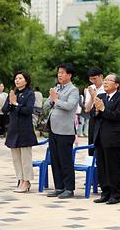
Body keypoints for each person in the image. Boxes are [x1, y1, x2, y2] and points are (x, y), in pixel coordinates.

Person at [44, 63, 79, 199]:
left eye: (62, 73)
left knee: (65, 161)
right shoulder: (56, 88)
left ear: (69, 75)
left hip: (65, 131)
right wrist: (53, 99)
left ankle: (69, 189)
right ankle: (59, 187)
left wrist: (56, 99)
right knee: (55, 159)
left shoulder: (73, 90)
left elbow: (70, 106)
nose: (59, 75)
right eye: (58, 72)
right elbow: (46, 105)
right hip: (53, 129)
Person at [91, 73, 120, 205]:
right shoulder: (100, 96)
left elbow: (118, 116)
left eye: (108, 80)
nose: (105, 82)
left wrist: (103, 109)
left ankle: (115, 193)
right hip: (100, 136)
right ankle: (105, 192)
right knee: (101, 166)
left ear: (116, 85)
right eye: (105, 80)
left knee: (112, 166)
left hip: (113, 137)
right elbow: (92, 114)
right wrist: (96, 110)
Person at [2, 71, 38, 192]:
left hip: (25, 130)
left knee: (25, 158)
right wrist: (10, 102)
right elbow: (4, 109)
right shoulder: (13, 93)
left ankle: (26, 181)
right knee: (16, 158)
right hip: (13, 129)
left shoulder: (30, 94)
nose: (17, 80)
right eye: (16, 78)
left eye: (20, 78)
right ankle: (20, 180)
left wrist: (16, 104)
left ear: (26, 81)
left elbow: (28, 110)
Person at [85, 67, 105, 156]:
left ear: (101, 77)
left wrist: (94, 95)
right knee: (91, 143)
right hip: (93, 118)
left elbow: (102, 105)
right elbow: (87, 108)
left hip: (104, 118)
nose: (93, 81)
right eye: (91, 79)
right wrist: (90, 95)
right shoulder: (91, 88)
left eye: (95, 79)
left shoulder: (107, 87)